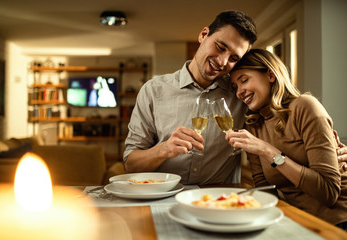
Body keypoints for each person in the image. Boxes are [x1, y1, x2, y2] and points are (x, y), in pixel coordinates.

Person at [123, 10, 257, 185]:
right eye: (220, 47)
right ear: (203, 35)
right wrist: (163, 149)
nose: (223, 62)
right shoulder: (153, 91)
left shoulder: (241, 95)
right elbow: (130, 165)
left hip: (220, 203)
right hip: (164, 200)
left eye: (233, 58)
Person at [226, 49, 347, 229]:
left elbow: (328, 192)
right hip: (292, 218)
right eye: (235, 87)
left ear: (270, 75)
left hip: (334, 222)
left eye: (244, 80)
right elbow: (265, 190)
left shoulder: (305, 107)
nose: (239, 93)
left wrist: (269, 152)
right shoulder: (253, 125)